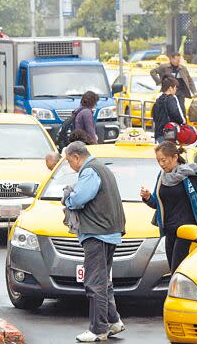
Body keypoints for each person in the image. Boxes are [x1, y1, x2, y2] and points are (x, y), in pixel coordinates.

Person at [63, 142, 126, 342]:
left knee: (94, 282)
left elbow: (80, 197)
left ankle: (98, 329)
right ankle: (113, 321)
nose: (70, 166)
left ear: (76, 157)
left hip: (97, 234)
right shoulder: (102, 168)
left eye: (69, 161)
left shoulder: (89, 171)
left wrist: (68, 199)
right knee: (103, 281)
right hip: (109, 232)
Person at [140, 141, 197, 272]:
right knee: (173, 269)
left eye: (164, 160)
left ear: (175, 157)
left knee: (178, 268)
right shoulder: (161, 177)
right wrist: (147, 197)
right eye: (158, 160)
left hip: (187, 231)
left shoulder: (188, 173)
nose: (161, 164)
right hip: (169, 231)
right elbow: (157, 204)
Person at [150, 52, 197, 118]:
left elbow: (189, 80)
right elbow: (153, 72)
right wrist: (159, 82)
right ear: (171, 59)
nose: (177, 62)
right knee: (168, 109)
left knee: (181, 109)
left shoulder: (183, 68)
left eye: (179, 60)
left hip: (180, 92)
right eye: (176, 59)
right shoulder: (164, 67)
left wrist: (194, 92)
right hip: (169, 92)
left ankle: (182, 124)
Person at [152, 76, 185, 143]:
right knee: (169, 152)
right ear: (170, 88)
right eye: (175, 88)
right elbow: (175, 113)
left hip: (158, 132)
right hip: (169, 133)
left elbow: (154, 116)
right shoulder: (171, 98)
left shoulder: (158, 99)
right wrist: (182, 121)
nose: (176, 90)